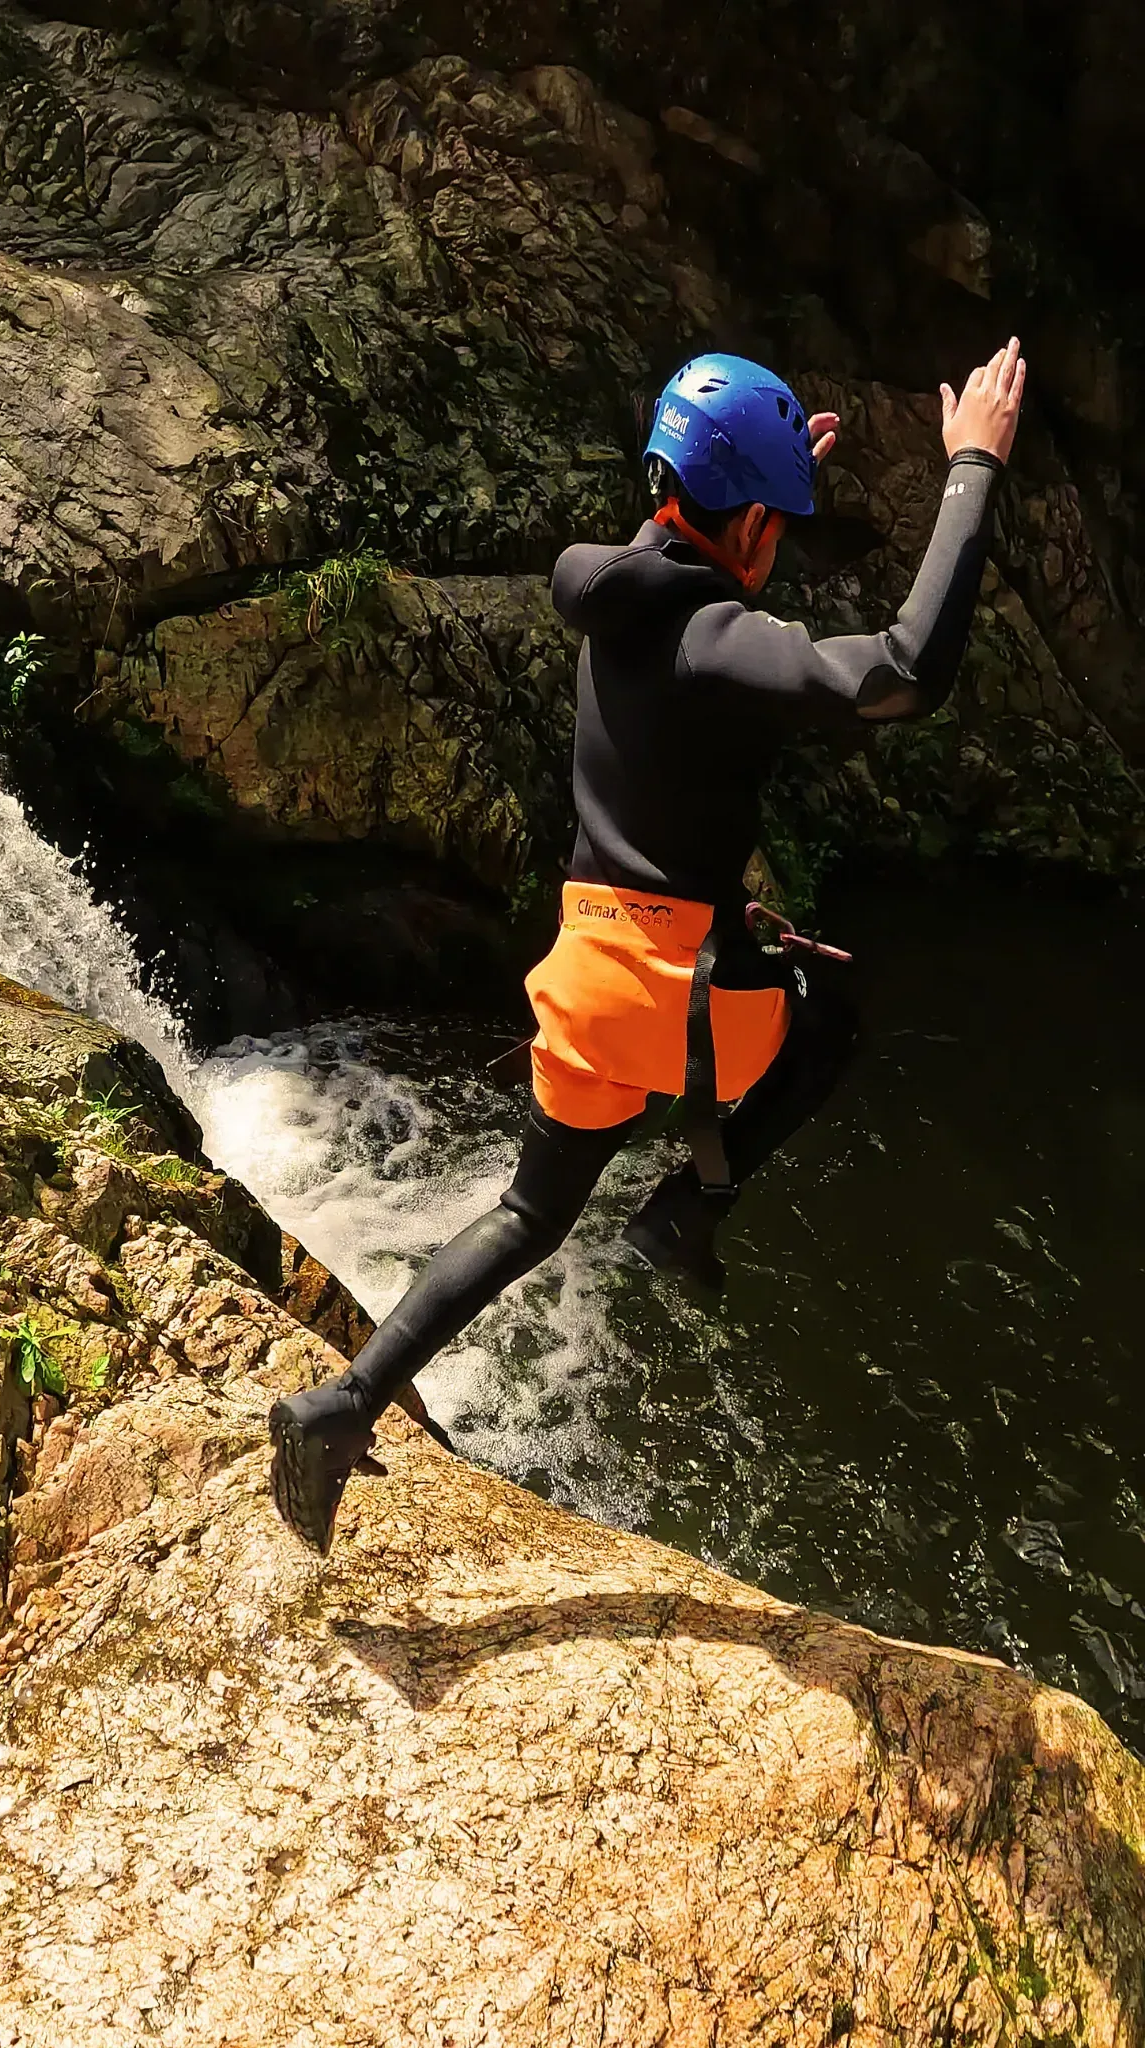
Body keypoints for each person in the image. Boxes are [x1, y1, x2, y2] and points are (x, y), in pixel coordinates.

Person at [270, 337, 1027, 1554]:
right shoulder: (714, 641)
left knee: (526, 1214)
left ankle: (339, 1403)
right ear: (756, 523)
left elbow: (690, 533)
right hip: (671, 997)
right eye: (775, 515)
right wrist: (973, 468)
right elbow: (898, 674)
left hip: (584, 975)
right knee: (830, 1015)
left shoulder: (614, 588)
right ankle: (688, 1209)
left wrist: (758, 473)